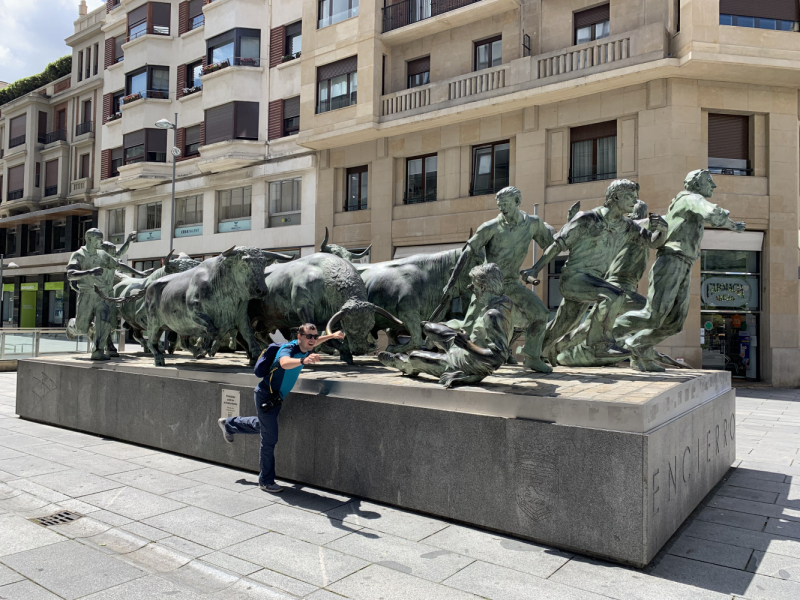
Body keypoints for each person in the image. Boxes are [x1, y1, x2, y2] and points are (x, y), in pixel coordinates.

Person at [521, 180, 667, 366]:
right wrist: (535, 268)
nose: (634, 201)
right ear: (615, 197)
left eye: (635, 197)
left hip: (592, 282)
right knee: (614, 295)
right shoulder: (587, 219)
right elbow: (557, 246)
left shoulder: (627, 226)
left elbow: (652, 242)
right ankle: (600, 343)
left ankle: (533, 354)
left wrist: (663, 230)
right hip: (573, 278)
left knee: (564, 325)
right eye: (630, 197)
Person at [616, 170, 745, 371]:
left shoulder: (688, 202)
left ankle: (638, 346)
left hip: (684, 263)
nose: (714, 186)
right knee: (653, 315)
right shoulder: (690, 198)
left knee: (674, 323)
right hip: (671, 261)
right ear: (697, 184)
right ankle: (606, 333)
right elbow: (710, 211)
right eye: (709, 182)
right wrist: (727, 221)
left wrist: (733, 225)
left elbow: (712, 215)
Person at [434, 187, 555, 374]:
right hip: (487, 285)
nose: (503, 209)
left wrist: (535, 268)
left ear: (517, 201)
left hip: (512, 283)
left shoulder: (533, 224)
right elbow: (467, 252)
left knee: (540, 314)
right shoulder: (490, 227)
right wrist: (451, 283)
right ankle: (441, 335)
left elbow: (551, 247)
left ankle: (532, 356)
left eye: (506, 204)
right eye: (500, 206)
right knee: (470, 327)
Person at [217, 324, 345, 493]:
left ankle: (229, 424)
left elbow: (316, 341)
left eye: (315, 336)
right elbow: (284, 363)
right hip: (266, 396)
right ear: (299, 337)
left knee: (263, 426)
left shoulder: (306, 345)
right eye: (309, 336)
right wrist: (303, 361)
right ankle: (265, 481)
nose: (313, 339)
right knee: (269, 438)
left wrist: (332, 336)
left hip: (276, 398)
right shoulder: (287, 349)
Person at [380, 263, 514, 388]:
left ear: (483, 287)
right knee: (428, 327)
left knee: (416, 356)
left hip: (468, 363)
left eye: (473, 286)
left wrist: (467, 344)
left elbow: (497, 359)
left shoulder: (493, 314)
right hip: (463, 350)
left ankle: (401, 363)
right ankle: (434, 349)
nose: (470, 289)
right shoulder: (502, 302)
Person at [66, 229, 145, 360]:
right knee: (82, 328)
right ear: (89, 239)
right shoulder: (78, 255)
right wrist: (89, 272)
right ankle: (72, 326)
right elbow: (70, 274)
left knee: (104, 321)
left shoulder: (102, 254)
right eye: (98, 239)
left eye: (102, 239)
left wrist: (139, 273)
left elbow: (117, 265)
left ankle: (98, 351)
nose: (101, 242)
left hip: (102, 295)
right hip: (87, 294)